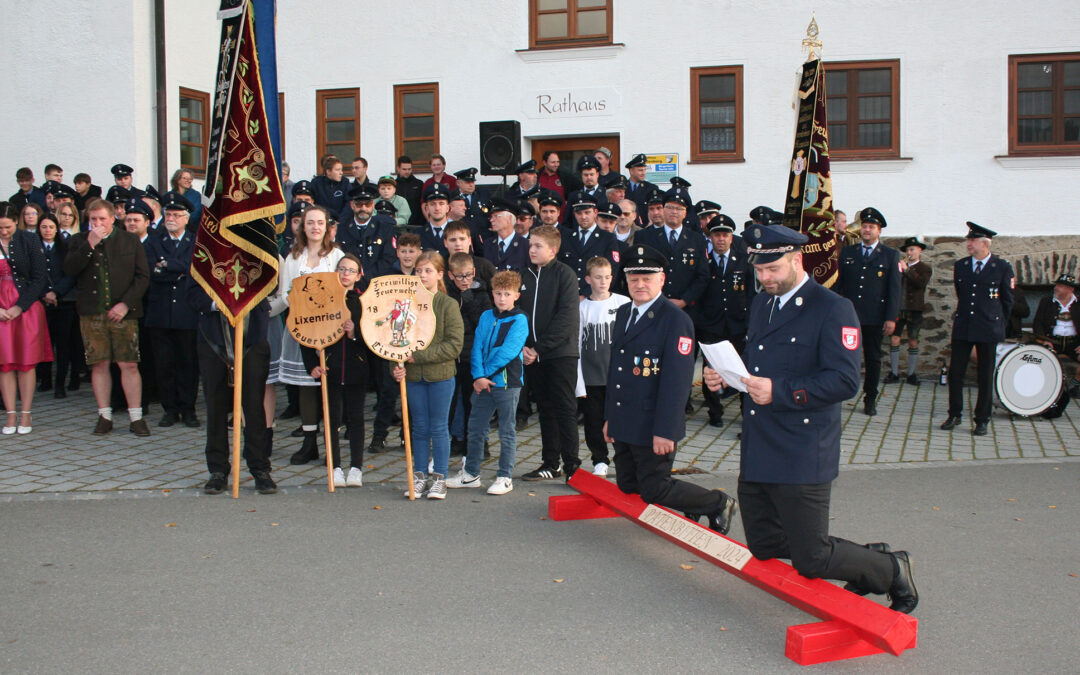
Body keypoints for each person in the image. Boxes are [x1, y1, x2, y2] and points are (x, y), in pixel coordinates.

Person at [703, 223, 918, 614]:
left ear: (797, 260)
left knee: (811, 558)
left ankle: (889, 567)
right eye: (759, 271)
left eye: (773, 270)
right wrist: (726, 378)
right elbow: (758, 366)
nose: (765, 279)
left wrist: (780, 391)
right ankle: (864, 557)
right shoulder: (763, 302)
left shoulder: (833, 308)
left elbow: (845, 380)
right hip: (760, 443)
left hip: (803, 448)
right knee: (764, 544)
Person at [603, 244, 737, 531]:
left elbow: (676, 382)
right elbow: (617, 370)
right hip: (625, 418)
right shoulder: (624, 313)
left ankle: (716, 502)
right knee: (628, 484)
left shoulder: (675, 320)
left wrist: (666, 430)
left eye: (647, 278)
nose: (640, 285)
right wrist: (610, 418)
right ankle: (691, 506)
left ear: (662, 280)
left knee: (654, 488)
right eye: (634, 278)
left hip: (653, 421)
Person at [63, 199, 150, 436]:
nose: (98, 223)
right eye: (93, 219)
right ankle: (104, 415)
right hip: (92, 312)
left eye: (102, 219)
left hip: (123, 313)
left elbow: (143, 277)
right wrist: (89, 245)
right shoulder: (79, 240)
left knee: (129, 364)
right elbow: (69, 270)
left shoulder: (129, 240)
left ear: (113, 218)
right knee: (99, 363)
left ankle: (136, 417)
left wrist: (125, 304)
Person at [270, 204, 345, 463]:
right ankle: (309, 442)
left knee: (329, 386)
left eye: (320, 223)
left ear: (327, 227)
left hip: (329, 329)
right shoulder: (293, 256)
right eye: (310, 222)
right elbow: (287, 293)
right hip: (301, 328)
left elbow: (342, 292)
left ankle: (331, 445)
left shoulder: (336, 255)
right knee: (306, 386)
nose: (315, 227)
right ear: (303, 226)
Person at [187, 281, 276, 495]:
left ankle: (260, 468)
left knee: (254, 406)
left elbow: (271, 282)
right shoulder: (205, 249)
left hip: (252, 335)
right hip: (213, 337)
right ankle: (217, 470)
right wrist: (217, 304)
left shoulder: (258, 246)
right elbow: (192, 294)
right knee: (215, 406)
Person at [446, 270, 528, 495]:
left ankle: (504, 476)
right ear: (492, 294)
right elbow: (477, 347)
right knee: (475, 429)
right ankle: (470, 474)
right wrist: (477, 376)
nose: (502, 298)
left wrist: (485, 376)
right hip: (482, 383)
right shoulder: (486, 316)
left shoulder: (519, 320)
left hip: (506, 384)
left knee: (506, 430)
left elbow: (507, 353)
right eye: (498, 293)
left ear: (516, 296)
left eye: (507, 294)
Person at [392, 251, 464, 500]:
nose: (422, 275)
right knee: (419, 428)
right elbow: (394, 340)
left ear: (440, 274)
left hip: (441, 376)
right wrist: (397, 363)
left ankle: (440, 478)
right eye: (419, 271)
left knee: (439, 426)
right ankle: (420, 476)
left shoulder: (448, 304)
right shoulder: (405, 303)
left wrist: (418, 356)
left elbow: (454, 345)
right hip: (413, 377)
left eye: (428, 271)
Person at [301, 253, 370, 488]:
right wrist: (311, 364)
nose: (345, 274)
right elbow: (306, 332)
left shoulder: (364, 302)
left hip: (356, 368)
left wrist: (355, 334)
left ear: (359, 275)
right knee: (330, 418)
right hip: (329, 367)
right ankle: (335, 466)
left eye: (351, 270)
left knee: (356, 418)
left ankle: (356, 467)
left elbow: (374, 337)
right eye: (341, 269)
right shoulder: (323, 299)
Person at [518, 225, 582, 481]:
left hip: (559, 354)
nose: (531, 249)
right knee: (545, 409)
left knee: (565, 408)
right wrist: (523, 346)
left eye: (537, 246)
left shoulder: (564, 275)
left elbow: (567, 318)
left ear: (553, 250)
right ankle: (550, 463)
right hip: (532, 356)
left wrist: (539, 347)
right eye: (530, 245)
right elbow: (518, 314)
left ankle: (572, 466)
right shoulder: (523, 275)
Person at [940, 222, 1015, 435]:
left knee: (984, 374)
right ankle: (954, 414)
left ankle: (982, 419)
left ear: (985, 244)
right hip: (964, 326)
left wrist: (999, 325)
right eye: (969, 240)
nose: (969, 244)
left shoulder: (1001, 267)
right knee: (956, 373)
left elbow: (1007, 301)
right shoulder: (962, 265)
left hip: (988, 328)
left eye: (972, 241)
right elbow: (962, 295)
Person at [835, 207, 901, 416]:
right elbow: (839, 285)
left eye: (871, 227)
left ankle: (870, 397)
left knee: (873, 358)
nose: (866, 230)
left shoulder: (890, 255)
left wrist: (891, 318)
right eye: (864, 226)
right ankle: (839, 394)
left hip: (874, 317)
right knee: (843, 357)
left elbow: (894, 289)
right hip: (850, 317)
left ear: (879, 231)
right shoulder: (848, 252)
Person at [144, 192, 199, 427]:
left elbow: (195, 269)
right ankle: (170, 409)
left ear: (187, 218)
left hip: (187, 313)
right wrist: (178, 270)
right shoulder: (154, 241)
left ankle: (188, 409)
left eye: (177, 215)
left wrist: (167, 265)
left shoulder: (195, 241)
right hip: (160, 312)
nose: (171, 218)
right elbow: (150, 271)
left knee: (188, 364)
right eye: (168, 214)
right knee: (164, 364)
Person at [696, 214, 754, 425]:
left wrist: (749, 320)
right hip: (711, 324)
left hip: (737, 323)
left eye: (725, 235)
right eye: (716, 235)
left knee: (741, 368)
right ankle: (714, 411)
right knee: (711, 368)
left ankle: (746, 411)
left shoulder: (743, 260)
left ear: (732, 237)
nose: (721, 239)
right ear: (710, 237)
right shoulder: (704, 261)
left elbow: (750, 293)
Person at [0, 202, 53, 434]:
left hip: (25, 305)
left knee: (25, 363)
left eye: (8, 226)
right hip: (0, 307)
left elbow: (40, 278)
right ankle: (10, 415)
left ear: (16, 222)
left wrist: (20, 307)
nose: (4, 231)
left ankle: (26, 415)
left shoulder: (28, 240)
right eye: (0, 227)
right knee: (5, 363)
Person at [368, 232, 422, 454]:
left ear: (419, 252)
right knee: (388, 392)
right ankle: (379, 435)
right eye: (403, 251)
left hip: (415, 338)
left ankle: (406, 435)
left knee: (410, 391)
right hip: (390, 340)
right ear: (397, 252)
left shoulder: (422, 275)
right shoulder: (386, 275)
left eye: (411, 251)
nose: (407, 255)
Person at [576, 257, 630, 476]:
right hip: (591, 377)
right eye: (598, 277)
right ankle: (599, 459)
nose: (603, 281)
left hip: (617, 376)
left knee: (619, 418)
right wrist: (578, 382)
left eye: (607, 277)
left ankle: (624, 457)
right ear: (588, 279)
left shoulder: (623, 303)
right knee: (593, 419)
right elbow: (577, 343)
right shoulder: (582, 307)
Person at [445, 252, 493, 457]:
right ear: (450, 275)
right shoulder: (447, 294)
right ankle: (457, 439)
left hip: (472, 355)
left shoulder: (481, 293)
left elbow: (482, 324)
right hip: (452, 355)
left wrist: (469, 300)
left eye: (467, 276)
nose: (464, 281)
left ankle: (479, 443)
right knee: (452, 403)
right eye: (459, 277)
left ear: (474, 272)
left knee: (472, 401)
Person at [36, 215, 78, 398]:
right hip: (41, 302)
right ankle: (45, 380)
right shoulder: (34, 249)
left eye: (51, 227)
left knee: (63, 345)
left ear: (56, 229)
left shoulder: (65, 248)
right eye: (44, 227)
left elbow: (70, 274)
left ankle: (60, 384)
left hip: (64, 302)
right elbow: (31, 275)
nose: (47, 230)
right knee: (44, 342)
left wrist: (56, 293)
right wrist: (44, 293)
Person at [885, 237, 932, 386]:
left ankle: (911, 374)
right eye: (907, 250)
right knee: (894, 339)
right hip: (898, 308)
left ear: (920, 251)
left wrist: (907, 270)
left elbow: (920, 283)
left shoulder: (925, 268)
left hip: (914, 309)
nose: (909, 252)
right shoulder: (898, 266)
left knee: (913, 341)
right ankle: (894, 372)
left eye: (912, 249)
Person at [559, 192, 620, 298]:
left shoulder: (607, 238)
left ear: (595, 212)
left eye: (587, 212)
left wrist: (586, 295)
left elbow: (612, 269)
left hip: (594, 297)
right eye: (579, 213)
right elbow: (560, 269)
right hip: (567, 296)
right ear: (574, 214)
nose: (583, 217)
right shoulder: (566, 236)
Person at [1033, 273, 1080, 400]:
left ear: (1070, 289)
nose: (1056, 288)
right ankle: (1046, 389)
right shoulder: (1046, 302)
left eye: (1061, 286)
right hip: (1053, 341)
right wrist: (1044, 341)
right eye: (1057, 285)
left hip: (1074, 343)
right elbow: (1037, 324)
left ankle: (1073, 385)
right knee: (1043, 359)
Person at [336, 183, 397, 278]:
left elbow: (389, 258)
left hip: (376, 282)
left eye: (367, 204)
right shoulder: (341, 229)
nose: (363, 208)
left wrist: (366, 275)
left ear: (373, 205)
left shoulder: (385, 228)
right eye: (359, 204)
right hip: (349, 282)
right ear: (352, 205)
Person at [482, 199, 529, 271]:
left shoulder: (525, 245)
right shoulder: (488, 244)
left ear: (509, 218)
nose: (491, 220)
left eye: (496, 216)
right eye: (491, 217)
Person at [416, 183, 452, 258]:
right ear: (426, 209)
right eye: (432, 204)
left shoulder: (456, 233)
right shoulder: (417, 235)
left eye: (441, 204)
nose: (437, 208)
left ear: (448, 208)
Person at [395, 156, 425, 227]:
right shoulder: (393, 186)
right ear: (398, 169)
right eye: (404, 169)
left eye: (409, 169)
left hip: (417, 225)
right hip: (399, 225)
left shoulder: (419, 184)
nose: (407, 172)